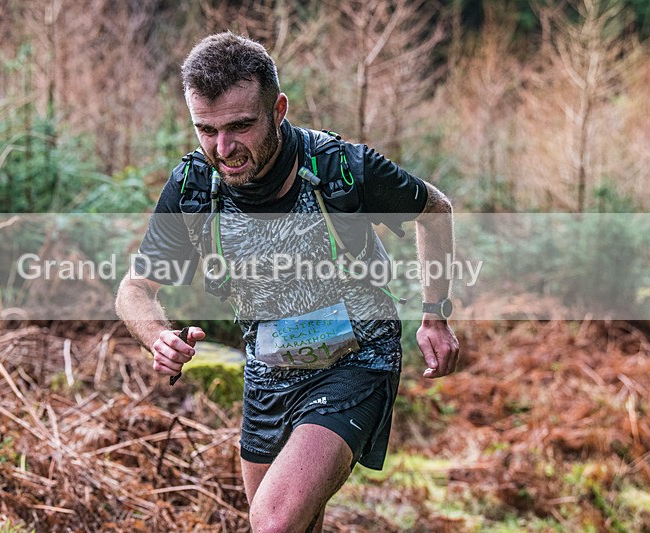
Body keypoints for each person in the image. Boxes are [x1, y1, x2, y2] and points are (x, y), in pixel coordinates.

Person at [116, 31, 459, 533]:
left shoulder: (344, 169)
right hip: (268, 370)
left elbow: (436, 210)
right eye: (206, 130)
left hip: (357, 360)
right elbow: (134, 289)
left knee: (273, 523)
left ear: (278, 109)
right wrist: (158, 337)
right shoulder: (192, 187)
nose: (224, 148)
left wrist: (436, 314)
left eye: (240, 126)